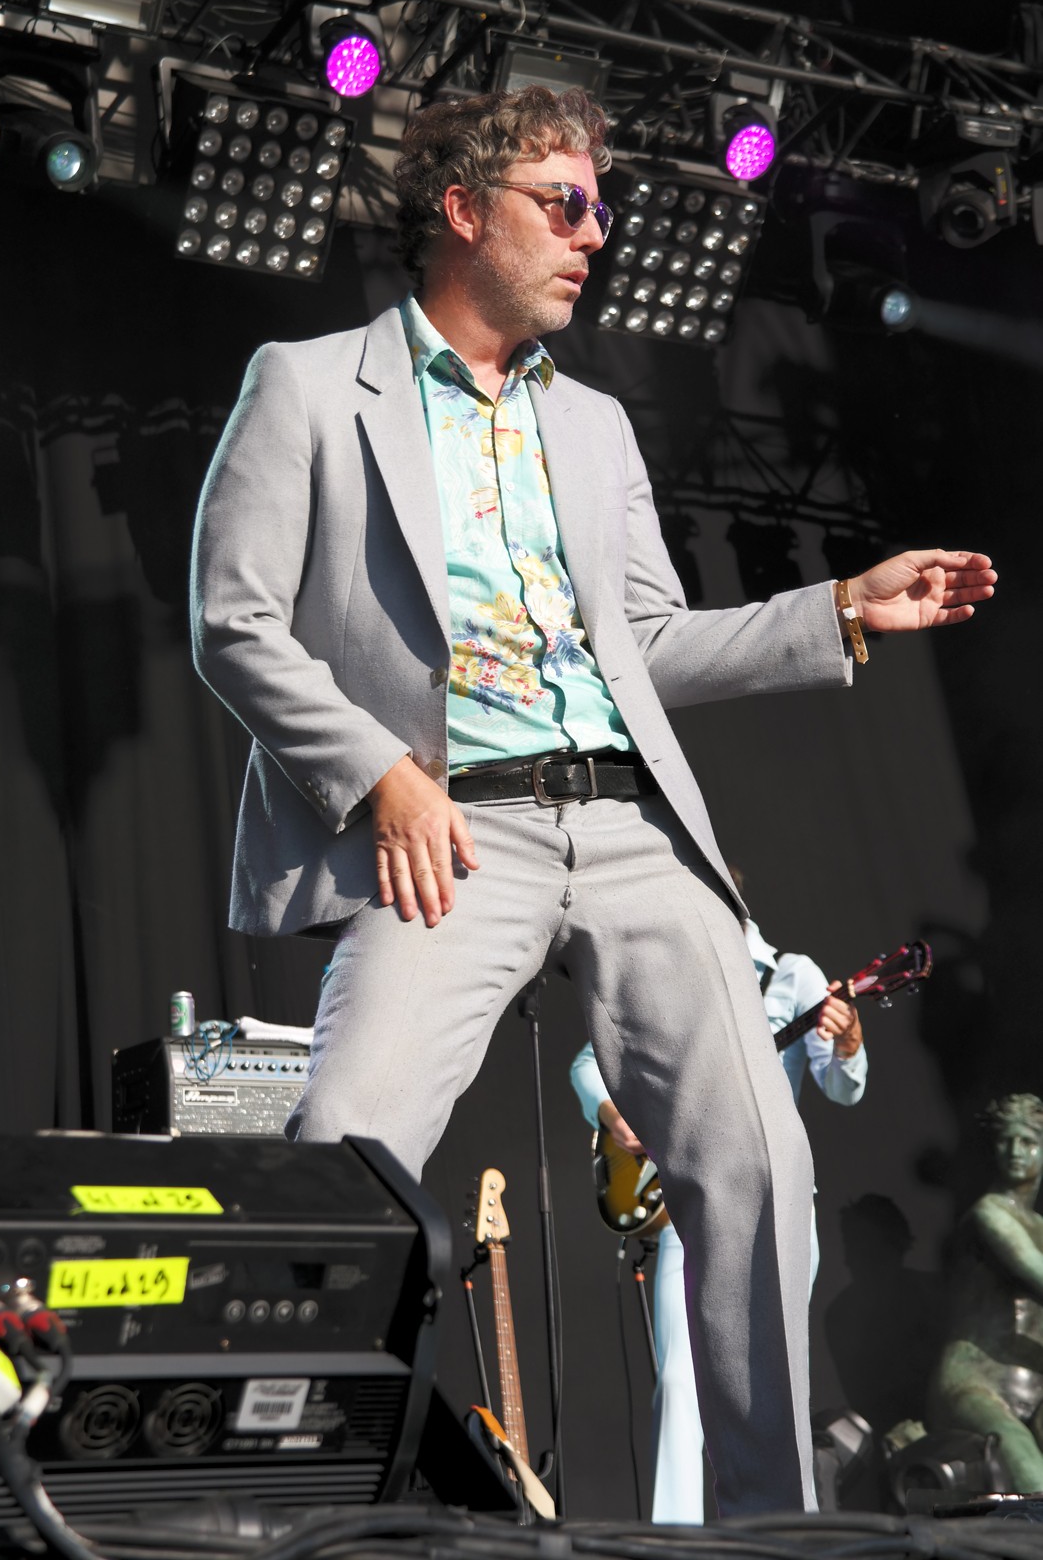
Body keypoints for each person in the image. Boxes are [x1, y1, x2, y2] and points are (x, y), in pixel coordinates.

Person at [189, 83, 996, 1517]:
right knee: (347, 1149)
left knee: (757, 1161)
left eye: (601, 208)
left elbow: (650, 645)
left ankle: (769, 1531)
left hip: (630, 827)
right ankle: (285, 1497)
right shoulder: (307, 386)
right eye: (563, 204)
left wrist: (836, 609)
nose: (595, 234)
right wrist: (379, 776)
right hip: (453, 828)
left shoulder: (598, 426)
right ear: (461, 209)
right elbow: (234, 624)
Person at [571, 903, 867, 1522]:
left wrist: (847, 1045)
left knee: (776, 1385)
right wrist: (613, 1111)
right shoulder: (667, 971)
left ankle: (782, 1535)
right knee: (681, 1383)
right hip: (687, 1198)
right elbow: (589, 1061)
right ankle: (676, 1542)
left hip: (776, 1204)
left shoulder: (792, 975)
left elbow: (842, 1088)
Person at [927, 1093, 1043, 1493]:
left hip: (1033, 1387)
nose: (1015, 1151)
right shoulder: (990, 1213)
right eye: (1005, 1140)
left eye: (1028, 1141)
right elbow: (1037, 1273)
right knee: (1034, 1480)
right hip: (977, 1385)